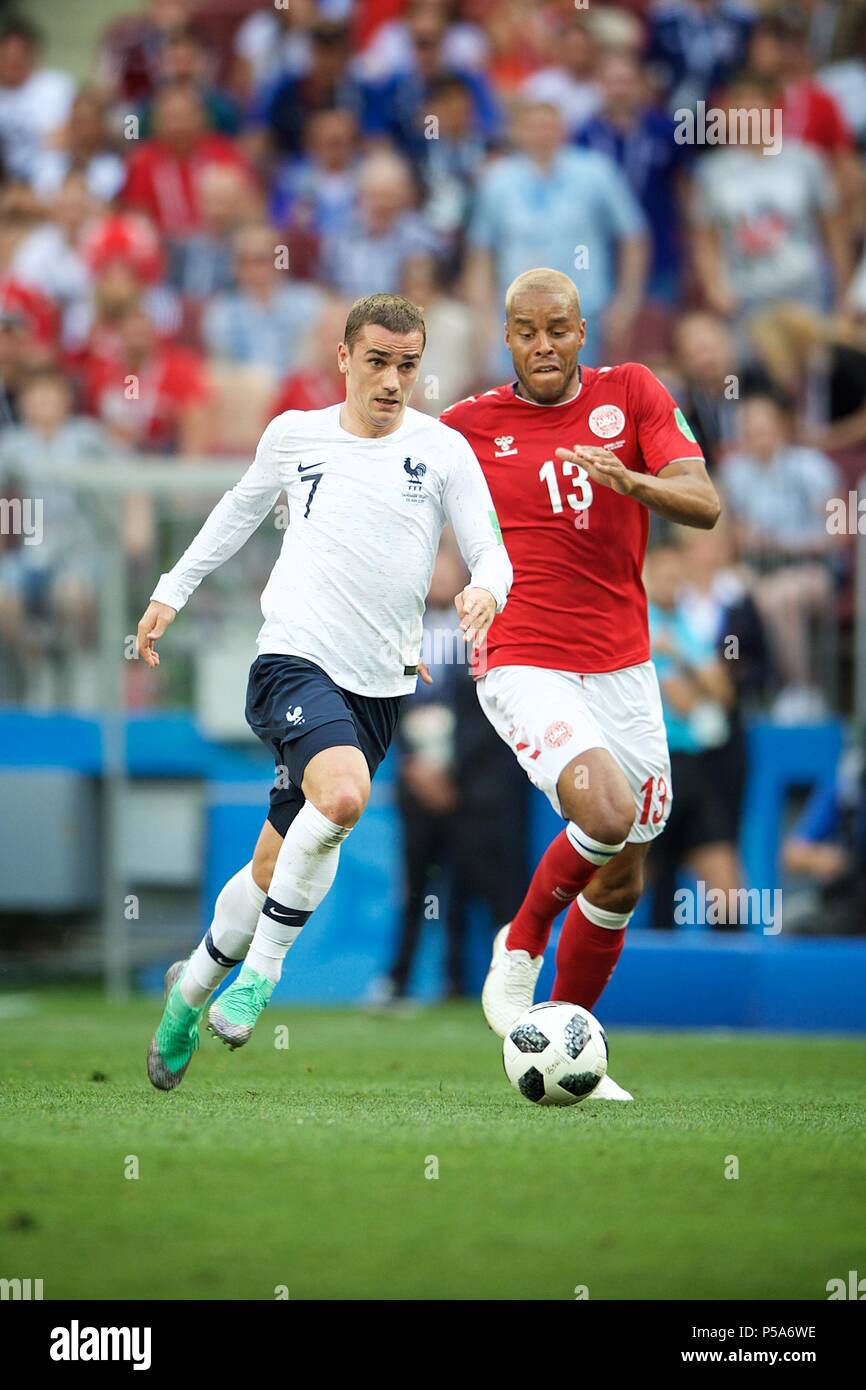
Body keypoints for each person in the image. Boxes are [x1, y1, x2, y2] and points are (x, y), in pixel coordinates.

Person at [138, 292, 512, 1089]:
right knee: (343, 798)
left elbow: (492, 552)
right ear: (344, 358)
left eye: (407, 366)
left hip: (378, 688)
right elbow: (235, 515)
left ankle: (189, 992)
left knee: (276, 864)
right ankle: (262, 976)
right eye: (376, 362)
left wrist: (488, 590)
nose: (391, 381)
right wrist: (171, 590)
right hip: (293, 660)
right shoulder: (295, 435)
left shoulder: (442, 450)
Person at [441, 267, 720, 1100]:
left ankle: (566, 1047)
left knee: (625, 871)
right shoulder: (463, 428)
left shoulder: (632, 392)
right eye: (526, 330)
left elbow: (702, 503)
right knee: (605, 812)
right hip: (522, 655)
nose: (544, 345)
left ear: (582, 331)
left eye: (558, 328)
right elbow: (403, 520)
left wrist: (632, 481)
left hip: (625, 665)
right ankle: (520, 943)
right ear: (507, 337)